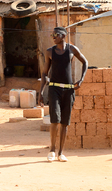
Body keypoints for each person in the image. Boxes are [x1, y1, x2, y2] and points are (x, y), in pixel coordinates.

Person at [38, 26, 88, 162]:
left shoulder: (72, 49)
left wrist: (81, 79)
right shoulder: (49, 52)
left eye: (56, 34)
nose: (53, 37)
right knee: (55, 120)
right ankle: (52, 151)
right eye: (52, 35)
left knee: (65, 123)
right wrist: (41, 92)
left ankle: (61, 153)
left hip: (69, 90)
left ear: (63, 36)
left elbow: (85, 62)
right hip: (54, 89)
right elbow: (44, 73)